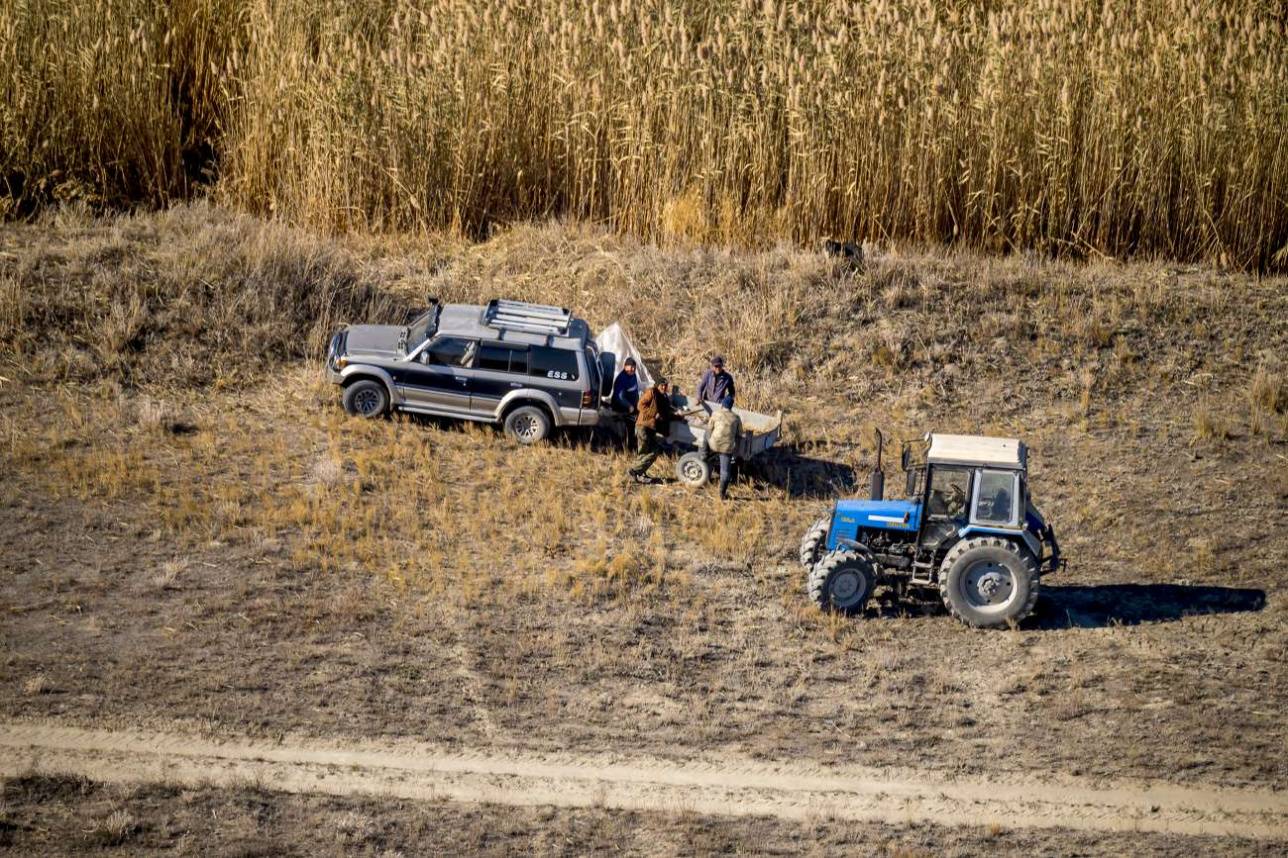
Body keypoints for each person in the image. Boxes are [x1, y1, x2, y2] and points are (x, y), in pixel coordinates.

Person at [629, 377, 675, 484]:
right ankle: (635, 471)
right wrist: (653, 414)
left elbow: (666, 414)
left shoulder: (664, 398)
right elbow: (640, 405)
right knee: (651, 451)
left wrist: (678, 417)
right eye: (661, 385)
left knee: (646, 452)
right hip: (643, 426)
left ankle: (638, 473)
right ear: (657, 385)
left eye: (665, 385)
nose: (664, 387)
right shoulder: (651, 392)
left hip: (651, 428)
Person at [701, 395, 741, 499]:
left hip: (713, 444)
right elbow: (739, 434)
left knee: (706, 432)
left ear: (722, 405)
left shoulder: (715, 413)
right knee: (725, 472)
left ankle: (704, 454)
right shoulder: (736, 418)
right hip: (727, 449)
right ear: (731, 407)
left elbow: (710, 428)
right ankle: (722, 494)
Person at [610, 358, 641, 449]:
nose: (632, 369)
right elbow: (619, 396)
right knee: (626, 429)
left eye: (633, 367)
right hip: (622, 408)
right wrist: (629, 406)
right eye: (630, 367)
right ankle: (624, 448)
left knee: (635, 427)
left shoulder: (633, 376)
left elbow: (635, 391)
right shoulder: (622, 378)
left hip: (632, 408)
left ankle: (633, 446)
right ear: (625, 367)